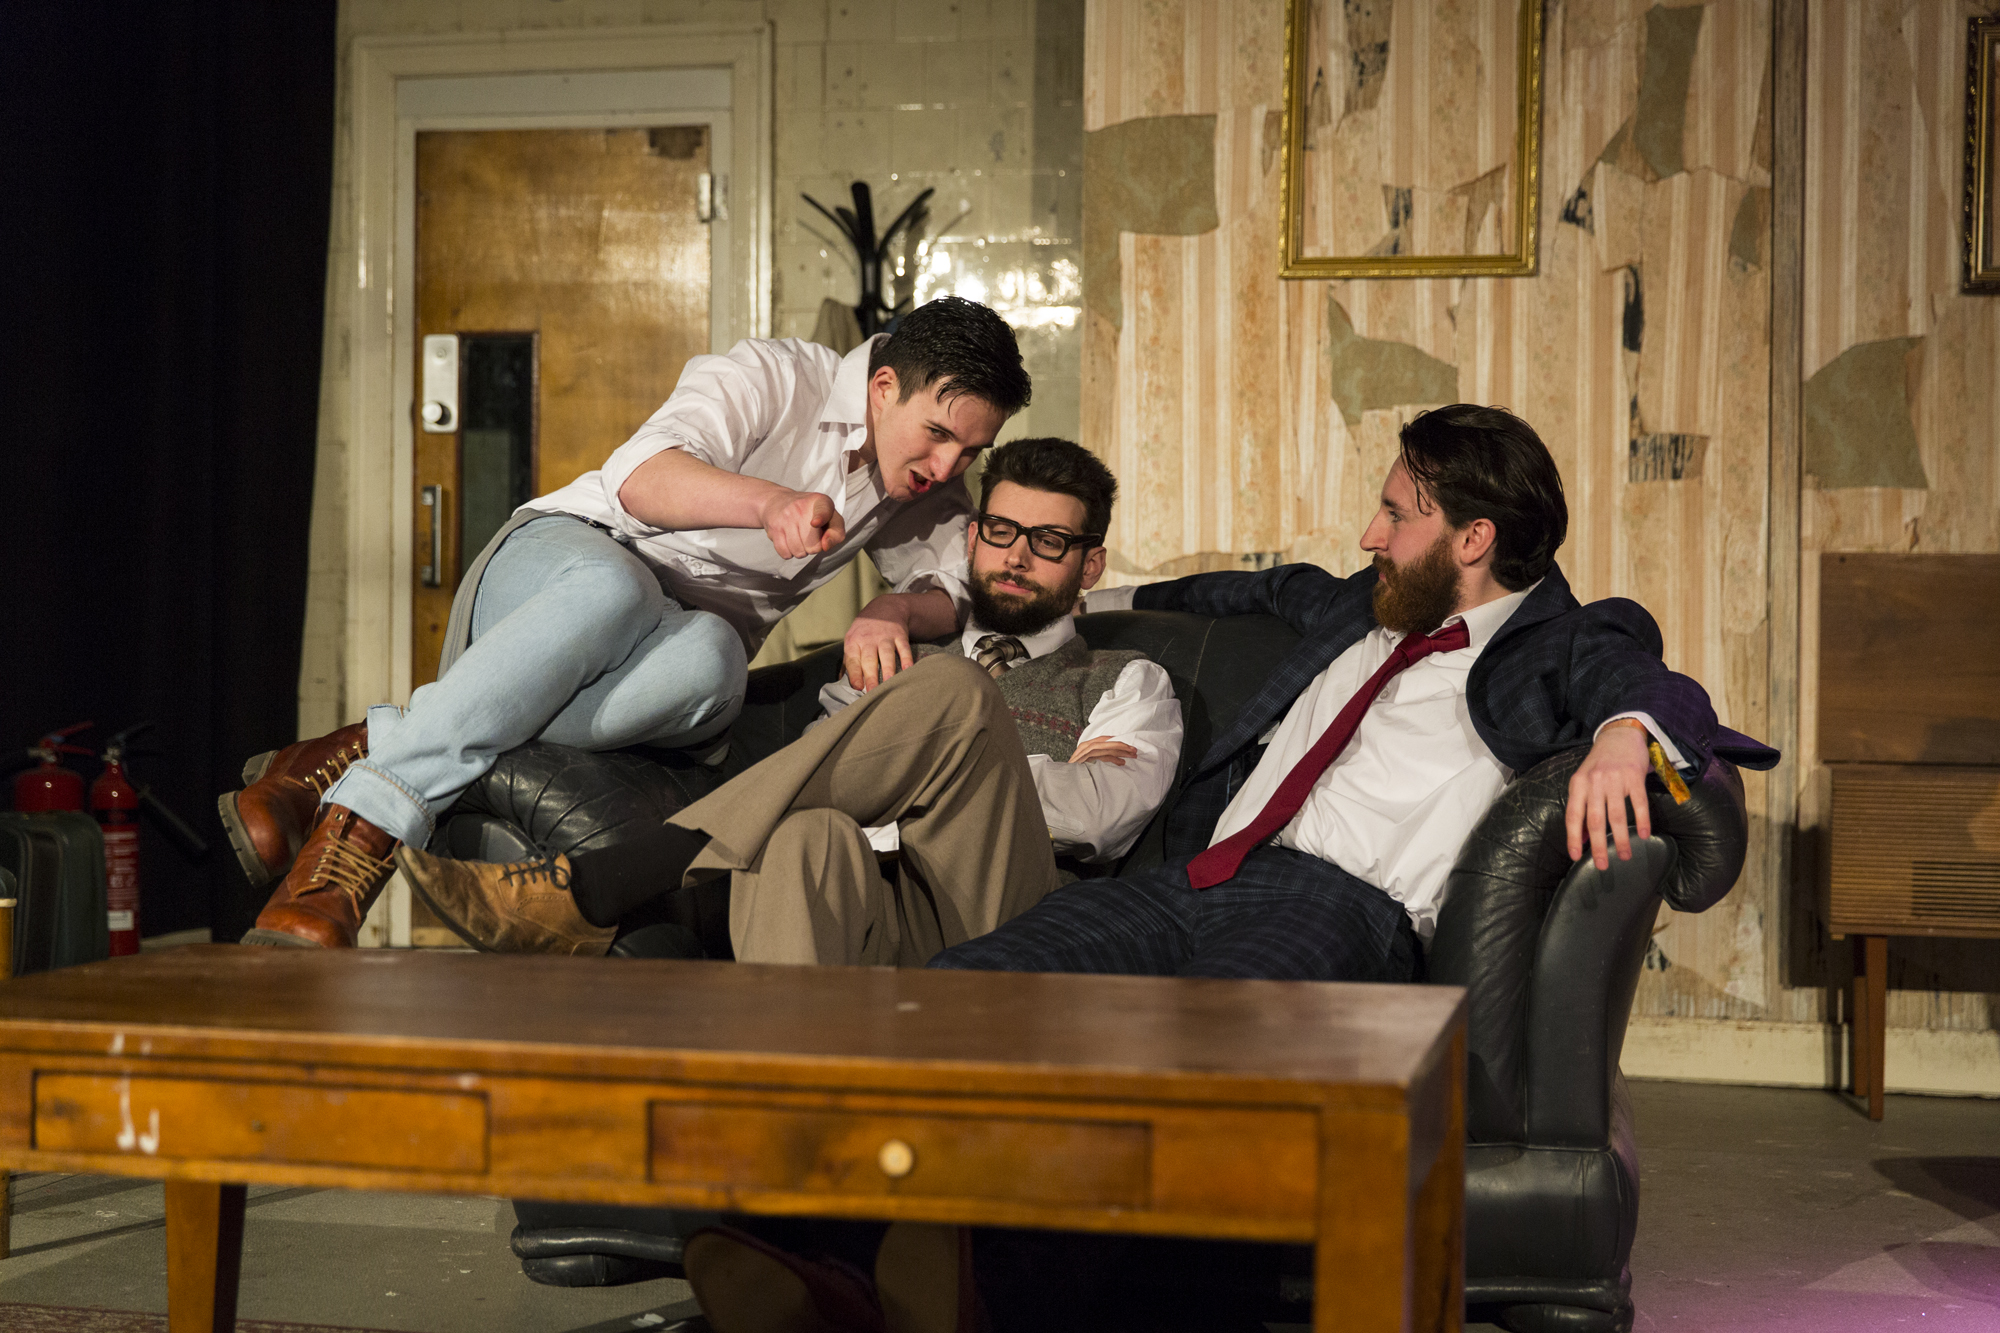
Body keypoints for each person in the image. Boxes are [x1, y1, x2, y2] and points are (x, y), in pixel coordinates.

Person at [676, 404, 1781, 1333]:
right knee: (963, 993)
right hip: (1190, 883)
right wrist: (1043, 600)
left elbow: (1651, 683)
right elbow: (1218, 594)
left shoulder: (1559, 641)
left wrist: (1623, 734)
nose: (1369, 532)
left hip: (1343, 909)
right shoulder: (1355, 605)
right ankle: (808, 1255)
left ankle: (978, 1293)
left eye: (1395, 514)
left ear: (1474, 537)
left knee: (1191, 1074)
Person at [226, 296, 1031, 949]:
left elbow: (956, 582)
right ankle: (356, 841)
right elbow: (640, 478)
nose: (947, 468)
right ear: (884, 387)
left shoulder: (920, 480)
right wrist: (769, 503)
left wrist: (892, 606)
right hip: (566, 569)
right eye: (938, 435)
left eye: (971, 451)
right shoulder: (776, 376)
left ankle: (377, 740)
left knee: (718, 659)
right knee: (622, 588)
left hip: (669, 653)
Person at [392, 436, 1184, 964]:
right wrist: (914, 767)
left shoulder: (1129, 679)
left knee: (956, 694)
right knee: (805, 834)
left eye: (1049, 542)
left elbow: (1098, 814)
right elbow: (828, 777)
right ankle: (780, 1119)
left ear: (1089, 565)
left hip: (1011, 916)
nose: (1017, 557)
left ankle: (617, 878)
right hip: (881, 911)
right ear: (973, 538)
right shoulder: (891, 656)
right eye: (1003, 531)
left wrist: (958, 764)